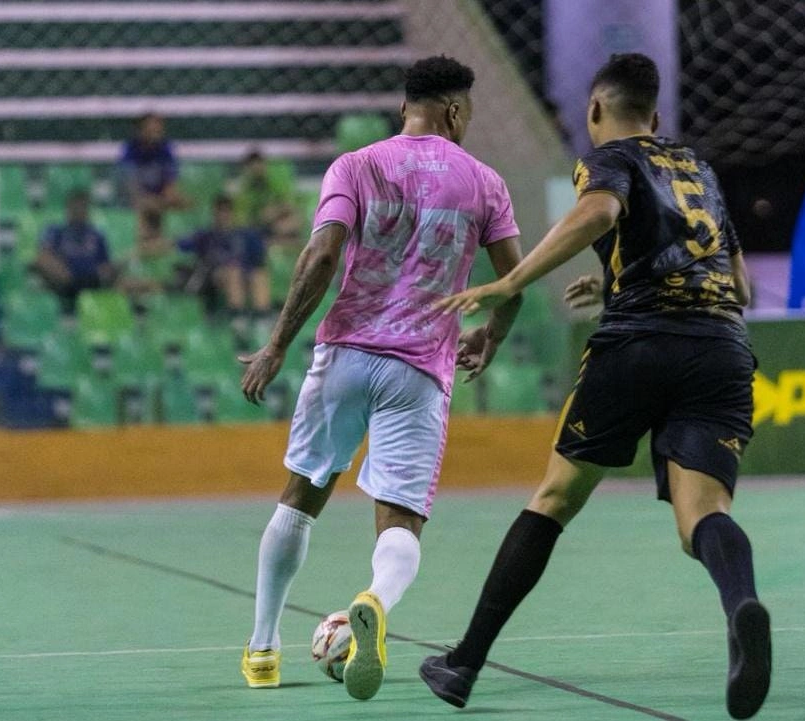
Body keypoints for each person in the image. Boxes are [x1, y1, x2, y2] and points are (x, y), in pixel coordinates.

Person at [420, 53, 771, 721]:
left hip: (639, 343)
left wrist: (511, 280)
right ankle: (742, 606)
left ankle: (463, 663)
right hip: (722, 346)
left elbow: (602, 211)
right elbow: (741, 286)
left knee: (553, 497)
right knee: (704, 515)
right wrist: (617, 278)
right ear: (657, 114)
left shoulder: (609, 157)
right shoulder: (699, 169)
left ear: (595, 111)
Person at [237, 55, 524, 702]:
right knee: (400, 523)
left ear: (406, 106)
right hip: (419, 370)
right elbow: (514, 283)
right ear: (453, 110)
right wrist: (491, 336)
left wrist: (278, 343)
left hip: (343, 356)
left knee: (301, 495)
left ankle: (261, 648)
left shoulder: (356, 165)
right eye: (468, 112)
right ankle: (370, 599)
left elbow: (321, 253)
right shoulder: (483, 182)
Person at [178, 194, 271, 341]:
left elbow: (260, 255)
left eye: (227, 211)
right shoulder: (206, 235)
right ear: (214, 213)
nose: (223, 215)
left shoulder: (244, 235)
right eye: (220, 211)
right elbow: (179, 245)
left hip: (243, 275)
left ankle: (262, 321)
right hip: (214, 277)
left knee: (258, 275)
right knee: (233, 271)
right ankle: (238, 319)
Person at [32, 189, 116, 312]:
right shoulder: (55, 230)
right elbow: (44, 256)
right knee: (43, 259)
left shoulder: (97, 235)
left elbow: (105, 264)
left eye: (83, 207)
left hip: (92, 280)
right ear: (68, 208)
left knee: (117, 271)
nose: (79, 211)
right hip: (62, 280)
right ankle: (70, 286)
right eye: (75, 207)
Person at [228, 149, 302, 248]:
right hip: (252, 230)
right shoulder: (241, 190)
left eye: (260, 164)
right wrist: (261, 217)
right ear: (247, 168)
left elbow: (288, 204)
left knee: (292, 223)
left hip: (274, 225)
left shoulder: (274, 183)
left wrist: (275, 211)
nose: (257, 169)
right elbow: (240, 219)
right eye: (253, 167)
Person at [119, 113, 190, 213]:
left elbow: (170, 187)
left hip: (159, 199)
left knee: (185, 203)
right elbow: (130, 187)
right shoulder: (131, 151)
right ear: (141, 130)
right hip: (134, 199)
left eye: (157, 131)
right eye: (150, 131)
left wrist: (165, 198)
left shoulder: (165, 150)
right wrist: (148, 200)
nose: (154, 134)